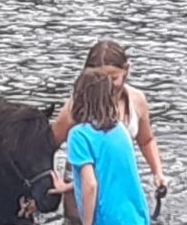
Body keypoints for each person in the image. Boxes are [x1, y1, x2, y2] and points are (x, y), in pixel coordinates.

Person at [52, 40, 167, 201]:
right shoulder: (75, 107)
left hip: (118, 186)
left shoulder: (137, 100)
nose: (106, 86)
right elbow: (48, 146)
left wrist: (158, 173)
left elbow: (146, 140)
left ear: (126, 70)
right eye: (99, 78)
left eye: (113, 78)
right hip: (80, 191)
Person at [66, 68, 151, 225]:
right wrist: (69, 186)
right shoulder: (121, 130)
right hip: (137, 222)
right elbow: (113, 176)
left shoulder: (78, 135)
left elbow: (91, 184)